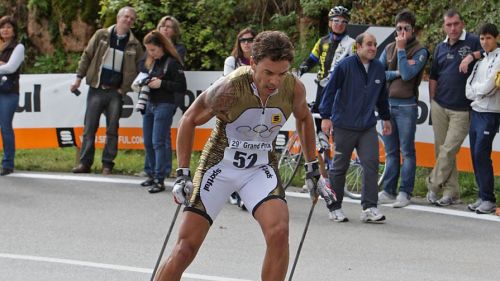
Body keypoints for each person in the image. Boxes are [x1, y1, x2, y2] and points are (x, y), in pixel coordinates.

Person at [153, 31, 334, 281]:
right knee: (185, 248)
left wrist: (313, 167)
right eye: (268, 73)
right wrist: (182, 173)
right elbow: (189, 119)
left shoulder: (293, 87)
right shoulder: (230, 87)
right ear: (252, 63)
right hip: (220, 165)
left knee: (279, 233)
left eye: (282, 73)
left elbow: (303, 119)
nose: (275, 81)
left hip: (259, 167)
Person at [320, 32, 392, 223]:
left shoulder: (378, 68)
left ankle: (369, 208)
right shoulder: (345, 66)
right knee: (339, 167)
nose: (373, 48)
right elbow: (330, 90)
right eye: (369, 44)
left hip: (367, 126)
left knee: (371, 163)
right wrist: (326, 117)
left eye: (375, 44)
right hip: (344, 125)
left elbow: (382, 96)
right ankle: (334, 207)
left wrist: (386, 118)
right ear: (358, 47)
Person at [70, 6, 144, 174]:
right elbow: (87, 56)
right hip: (96, 88)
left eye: (132, 19)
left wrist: (124, 89)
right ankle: (85, 164)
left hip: (115, 93)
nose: (129, 20)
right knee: (89, 128)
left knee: (112, 129)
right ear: (118, 18)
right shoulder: (101, 34)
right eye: (126, 16)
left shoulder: (135, 44)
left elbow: (142, 68)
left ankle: (107, 164)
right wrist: (78, 78)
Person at [426, 9, 481, 206]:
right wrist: (432, 101)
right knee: (441, 151)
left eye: (456, 24)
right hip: (440, 105)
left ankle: (432, 184)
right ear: (444, 27)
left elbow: (492, 49)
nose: (453, 28)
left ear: (462, 23)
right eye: (448, 25)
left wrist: (472, 56)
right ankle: (451, 192)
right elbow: (433, 76)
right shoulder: (440, 47)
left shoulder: (473, 40)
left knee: (448, 150)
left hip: (463, 109)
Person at [377, 9, 429, 208]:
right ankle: (389, 190)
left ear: (412, 30)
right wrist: (395, 72)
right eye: (398, 28)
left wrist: (401, 50)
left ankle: (405, 192)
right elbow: (378, 73)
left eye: (406, 29)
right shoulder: (388, 47)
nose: (402, 32)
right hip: (387, 105)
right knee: (391, 151)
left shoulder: (420, 50)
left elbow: (407, 75)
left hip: (407, 106)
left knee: (407, 151)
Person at [134, 31, 186, 193]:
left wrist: (162, 84)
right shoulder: (151, 62)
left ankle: (159, 177)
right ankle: (151, 173)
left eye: (153, 50)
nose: (150, 53)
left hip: (165, 104)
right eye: (148, 50)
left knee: (159, 141)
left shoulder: (172, 63)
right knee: (148, 140)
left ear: (162, 47)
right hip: (150, 103)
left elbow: (181, 87)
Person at [299, 5, 355, 131]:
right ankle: (322, 148)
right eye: (336, 20)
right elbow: (311, 60)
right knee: (320, 123)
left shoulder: (352, 44)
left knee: (338, 124)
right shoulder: (322, 41)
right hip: (322, 86)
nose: (339, 24)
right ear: (330, 23)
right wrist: (301, 69)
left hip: (340, 89)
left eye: (343, 21)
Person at [465, 23, 500, 214]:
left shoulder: (499, 58)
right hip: (476, 112)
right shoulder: (480, 61)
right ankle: (482, 195)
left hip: (491, 113)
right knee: (475, 155)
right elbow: (468, 88)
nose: (485, 42)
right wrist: (479, 93)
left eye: (488, 38)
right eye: (482, 38)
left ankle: (489, 199)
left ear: (496, 38)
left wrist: (478, 92)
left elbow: (490, 86)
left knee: (481, 154)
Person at [223, 27, 257, 208]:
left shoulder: (260, 61)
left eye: (250, 39)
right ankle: (232, 190)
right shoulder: (232, 61)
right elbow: (229, 83)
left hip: (256, 112)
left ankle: (246, 192)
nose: (246, 43)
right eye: (242, 40)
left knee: (250, 152)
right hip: (235, 112)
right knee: (233, 151)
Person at [0, 16, 24, 176]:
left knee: (5, 127)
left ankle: (8, 163)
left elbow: (10, 68)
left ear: (14, 30)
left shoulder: (19, 47)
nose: (5, 29)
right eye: (2, 27)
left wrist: (3, 65)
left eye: (9, 27)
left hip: (9, 93)